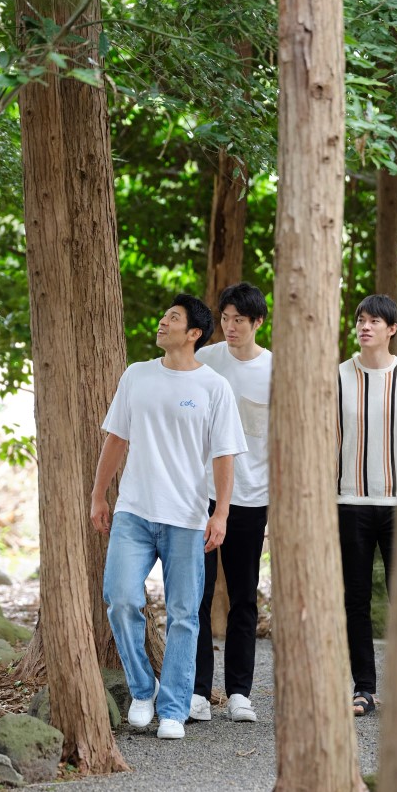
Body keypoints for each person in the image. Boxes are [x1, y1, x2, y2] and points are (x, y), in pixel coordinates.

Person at [90, 294, 247, 740]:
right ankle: (144, 689)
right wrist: (99, 495)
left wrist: (221, 513)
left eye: (172, 318)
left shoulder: (214, 387)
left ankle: (175, 708)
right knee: (120, 599)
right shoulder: (136, 376)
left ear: (194, 333)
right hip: (134, 512)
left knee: (184, 614)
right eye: (164, 316)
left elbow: (224, 457)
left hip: (186, 517)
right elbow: (116, 439)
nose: (162, 322)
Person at [188, 283, 272, 724]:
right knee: (197, 596)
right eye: (225, 318)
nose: (230, 326)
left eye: (240, 319)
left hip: (252, 498)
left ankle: (240, 691)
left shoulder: (274, 370)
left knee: (243, 598)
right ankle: (199, 690)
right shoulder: (206, 360)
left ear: (257, 322)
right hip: (201, 495)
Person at [336, 294, 397, 717]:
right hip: (349, 500)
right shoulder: (338, 375)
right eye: (361, 320)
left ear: (393, 328)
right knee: (355, 600)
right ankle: (364, 689)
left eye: (375, 321)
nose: (366, 326)